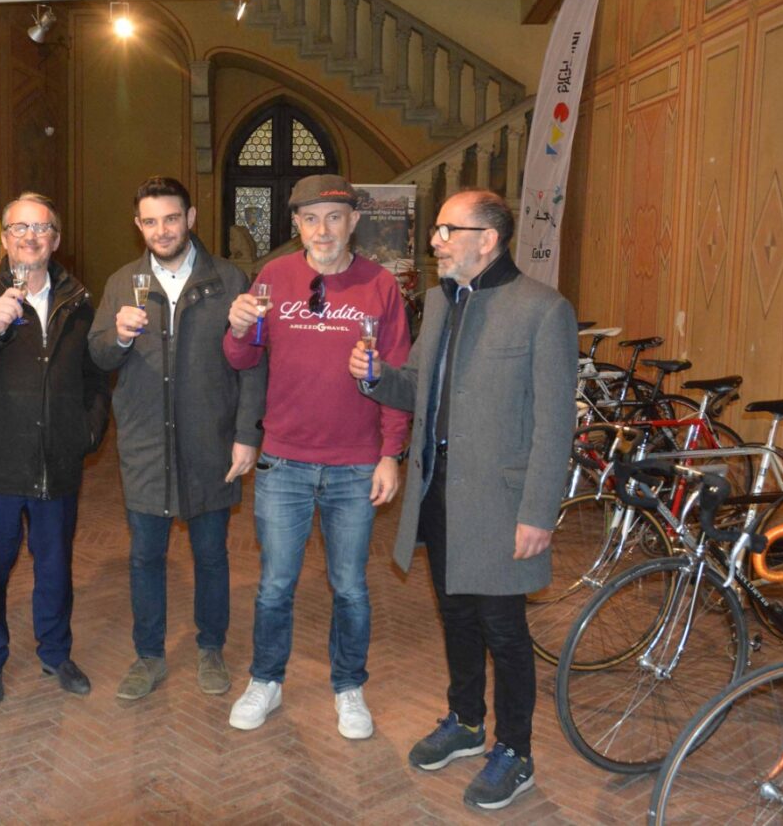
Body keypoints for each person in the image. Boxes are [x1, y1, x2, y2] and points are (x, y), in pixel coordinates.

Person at [352, 189, 576, 810]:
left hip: (502, 503)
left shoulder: (543, 310)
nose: (435, 241)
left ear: (489, 238)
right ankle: (467, 721)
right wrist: (376, 375)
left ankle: (516, 751)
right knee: (454, 614)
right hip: (439, 490)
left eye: (448, 230)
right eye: (437, 231)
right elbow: (417, 387)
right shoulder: (442, 301)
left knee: (503, 629)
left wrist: (538, 512)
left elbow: (555, 425)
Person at [222, 174, 411, 739]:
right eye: (310, 219)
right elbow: (242, 358)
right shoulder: (274, 278)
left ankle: (349, 686)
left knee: (350, 586)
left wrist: (391, 453)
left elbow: (397, 377)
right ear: (296, 225)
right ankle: (266, 679)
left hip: (356, 464)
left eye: (333, 218)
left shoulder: (381, 285)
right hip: (285, 460)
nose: (322, 230)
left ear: (354, 222)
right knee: (275, 584)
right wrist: (237, 329)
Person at [88, 176, 265, 701]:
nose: (162, 230)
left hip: (210, 444)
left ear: (190, 218)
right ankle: (149, 655)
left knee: (211, 555)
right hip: (145, 446)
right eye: (150, 221)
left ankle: (211, 647)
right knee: (145, 557)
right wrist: (118, 336)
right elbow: (98, 355)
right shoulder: (122, 282)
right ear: (137, 225)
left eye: (171, 218)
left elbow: (253, 364)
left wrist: (246, 435)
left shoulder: (228, 279)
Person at [0, 192, 111, 705]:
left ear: (55, 240)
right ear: (4, 239)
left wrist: (86, 432)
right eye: (19, 228)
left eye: (41, 228)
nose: (30, 237)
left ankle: (56, 652)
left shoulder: (78, 301)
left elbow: (95, 377)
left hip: (56, 462)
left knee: (55, 567)